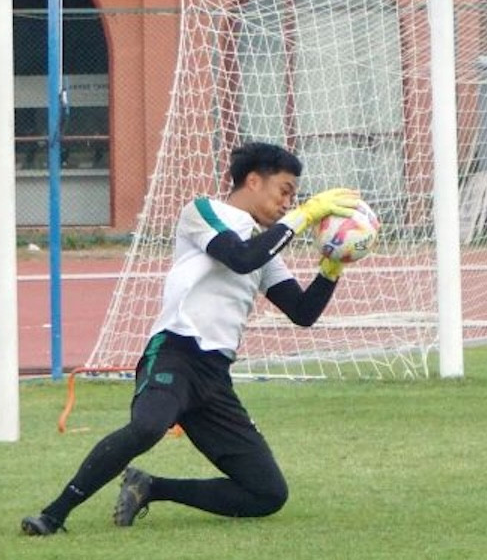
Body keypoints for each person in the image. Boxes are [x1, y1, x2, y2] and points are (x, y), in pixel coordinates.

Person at [21, 141, 359, 534]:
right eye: (285, 191)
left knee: (267, 493)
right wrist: (305, 216)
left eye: (295, 197)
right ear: (253, 180)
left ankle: (151, 487)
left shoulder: (264, 248)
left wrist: (332, 268)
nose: (289, 203)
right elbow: (240, 257)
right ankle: (53, 514)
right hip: (175, 353)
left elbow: (303, 313)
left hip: (214, 376)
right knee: (148, 427)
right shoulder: (204, 211)